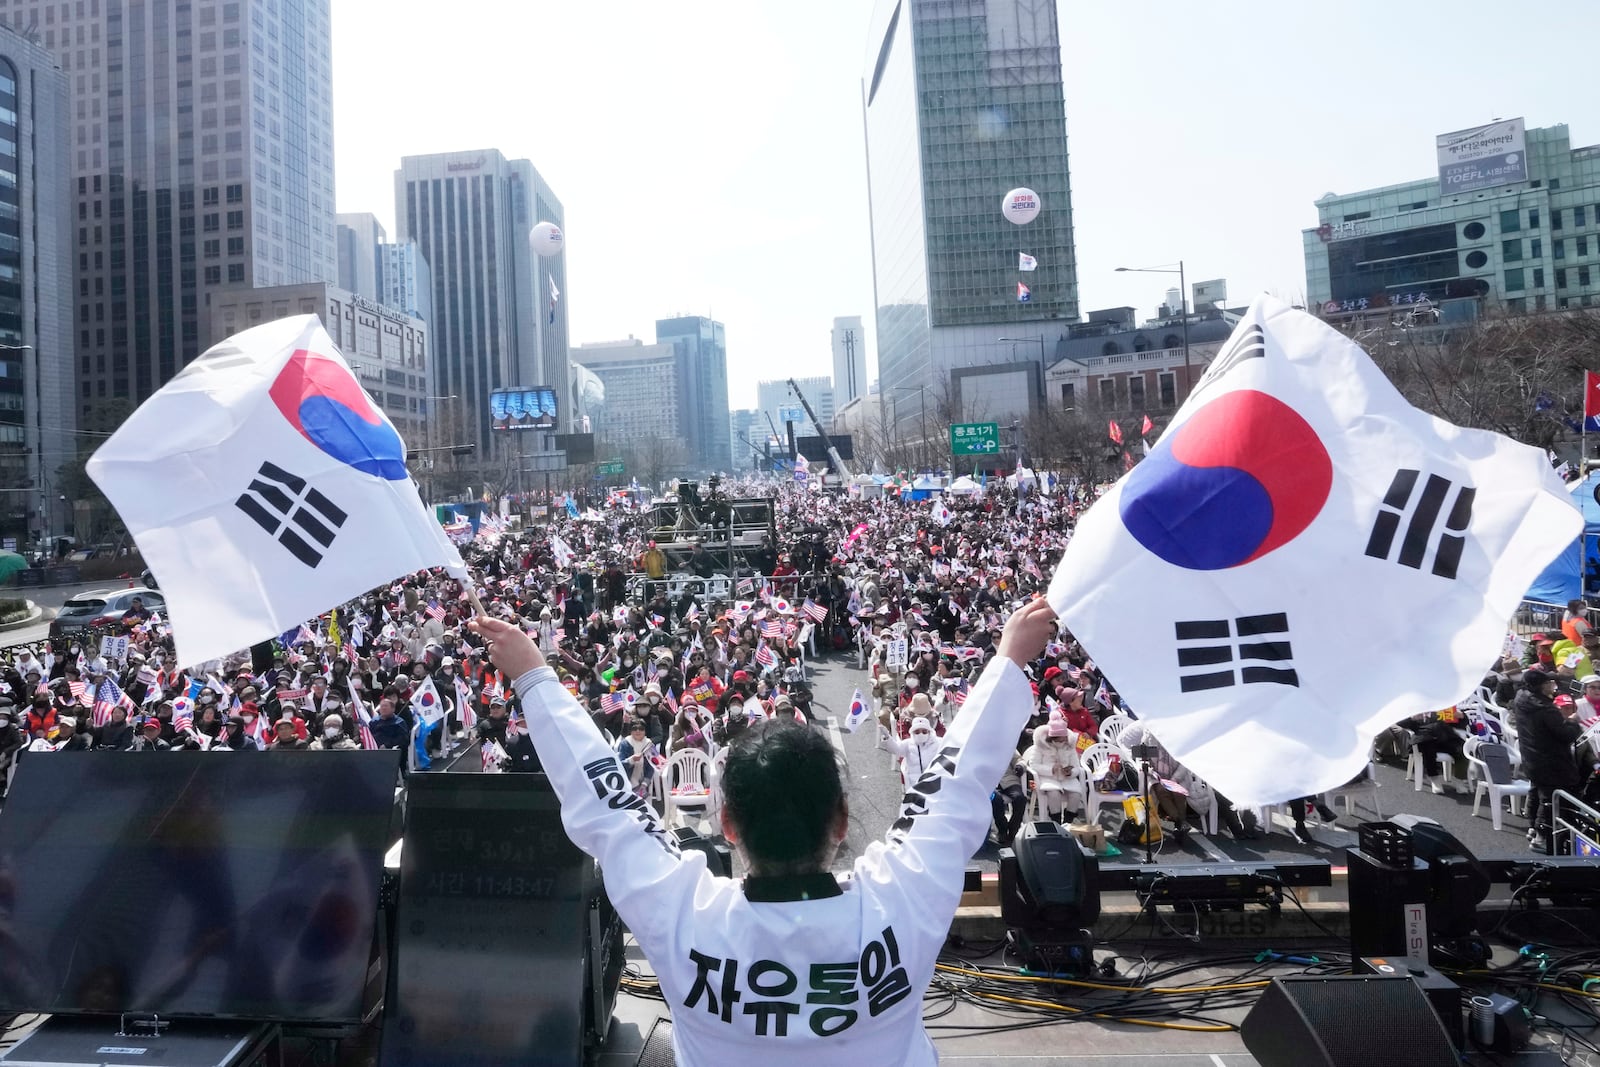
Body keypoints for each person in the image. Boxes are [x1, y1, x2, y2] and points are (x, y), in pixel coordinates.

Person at [469, 595, 1054, 1065]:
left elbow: (611, 807)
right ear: (841, 819)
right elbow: (955, 782)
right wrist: (1008, 661)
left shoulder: (684, 915)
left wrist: (535, 677)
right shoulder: (903, 899)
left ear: (727, 824)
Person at [1514, 667, 1584, 854]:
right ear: (1540, 686)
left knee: (1537, 791)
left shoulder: (1522, 698)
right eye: (1548, 683)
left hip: (1532, 757)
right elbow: (1566, 734)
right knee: (1550, 800)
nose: (1552, 685)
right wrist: (1572, 721)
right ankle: (1541, 837)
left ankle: (1532, 827)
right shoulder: (1545, 709)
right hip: (1551, 761)